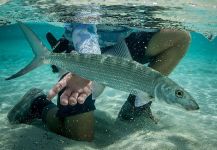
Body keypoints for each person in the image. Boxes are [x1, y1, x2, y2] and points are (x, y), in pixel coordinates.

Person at [7, 23, 191, 142]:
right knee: (80, 135)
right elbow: (83, 28)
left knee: (179, 37)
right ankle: (37, 103)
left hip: (120, 47)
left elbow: (150, 20)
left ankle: (136, 107)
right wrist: (88, 67)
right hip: (80, 53)